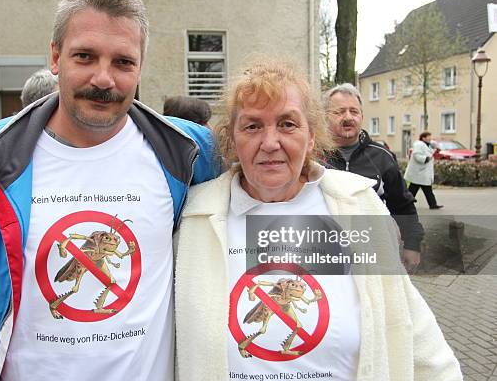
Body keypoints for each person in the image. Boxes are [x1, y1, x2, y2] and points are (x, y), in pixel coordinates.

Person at [0, 0, 218, 380]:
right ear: (56, 57)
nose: (103, 79)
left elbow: (269, 188)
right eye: (85, 56)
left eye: (123, 61)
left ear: (140, 65)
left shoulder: (188, 153)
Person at [174, 59, 462, 381]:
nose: (270, 143)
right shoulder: (196, 217)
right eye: (253, 126)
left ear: (312, 137)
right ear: (232, 140)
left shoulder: (356, 206)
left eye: (287, 124)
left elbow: (412, 329)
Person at [322, 83, 424, 273]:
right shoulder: (312, 157)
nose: (348, 117)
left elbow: (402, 204)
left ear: (361, 116)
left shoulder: (382, 156)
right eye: (339, 112)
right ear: (325, 116)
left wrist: (412, 244)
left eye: (354, 111)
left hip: (374, 253)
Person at [404, 132, 443, 209]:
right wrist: (426, 159)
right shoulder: (419, 145)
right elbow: (417, 155)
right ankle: (406, 204)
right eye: (428, 137)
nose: (430, 138)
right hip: (419, 172)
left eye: (430, 137)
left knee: (425, 190)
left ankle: (432, 204)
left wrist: (433, 143)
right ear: (423, 138)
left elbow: (436, 146)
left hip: (422, 173)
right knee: (414, 190)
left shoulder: (427, 144)